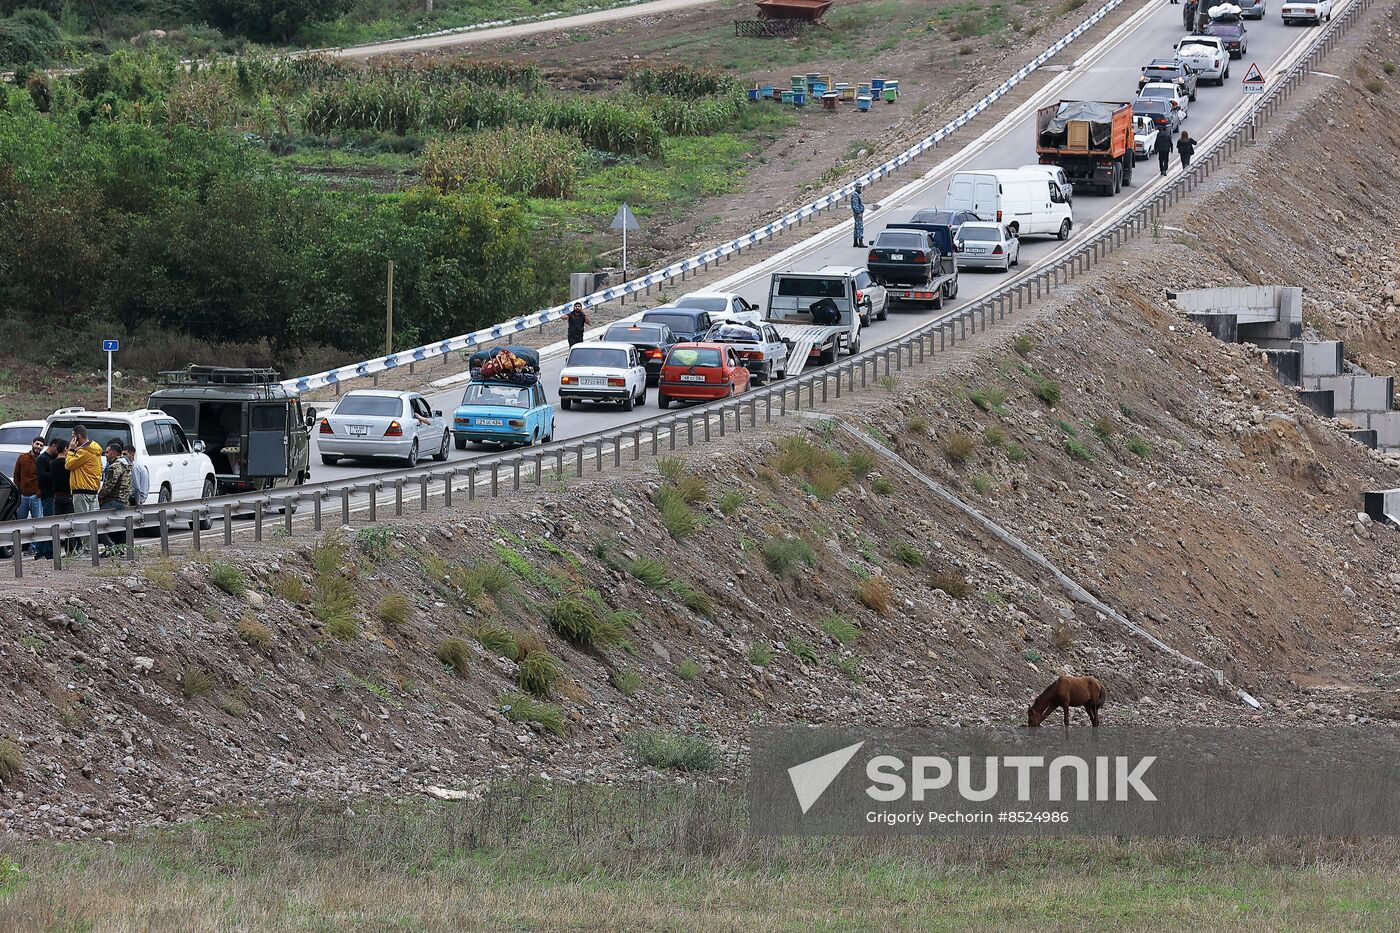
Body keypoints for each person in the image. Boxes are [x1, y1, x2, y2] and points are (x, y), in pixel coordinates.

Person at [96, 440, 132, 551]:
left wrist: (100, 496)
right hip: (124, 501)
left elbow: (108, 486)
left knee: (96, 524)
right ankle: (119, 548)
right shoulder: (126, 465)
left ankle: (111, 548)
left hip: (114, 501)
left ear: (114, 453)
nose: (105, 455)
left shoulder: (114, 466)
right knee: (119, 527)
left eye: (107, 452)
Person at [65, 424, 103, 519]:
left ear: (78, 436)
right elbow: (100, 468)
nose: (72, 440)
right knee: (91, 521)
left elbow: (68, 465)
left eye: (73, 437)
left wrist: (71, 450)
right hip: (93, 491)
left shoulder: (84, 451)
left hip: (81, 492)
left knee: (81, 522)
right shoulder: (95, 450)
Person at [11, 437, 44, 543]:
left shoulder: (42, 460)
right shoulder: (22, 458)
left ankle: (34, 547)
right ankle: (19, 544)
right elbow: (16, 475)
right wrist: (19, 489)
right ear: (32, 443)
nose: (38, 447)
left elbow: (45, 478)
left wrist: (39, 492)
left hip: (36, 496)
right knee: (20, 523)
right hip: (23, 496)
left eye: (41, 445)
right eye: (37, 444)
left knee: (37, 523)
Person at [33, 439, 58, 560]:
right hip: (47, 495)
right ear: (53, 445)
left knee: (50, 523)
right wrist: (55, 474)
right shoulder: (42, 459)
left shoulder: (54, 458)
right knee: (48, 523)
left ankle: (45, 550)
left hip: (53, 495)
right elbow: (41, 475)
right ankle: (43, 551)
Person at [850, 181, 867, 248]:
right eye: (859, 187)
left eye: (861, 187)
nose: (860, 188)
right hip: (858, 213)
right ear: (856, 187)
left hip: (858, 212)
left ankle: (855, 242)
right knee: (860, 227)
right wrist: (859, 212)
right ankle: (860, 242)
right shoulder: (855, 195)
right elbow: (855, 205)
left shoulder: (856, 194)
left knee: (856, 227)